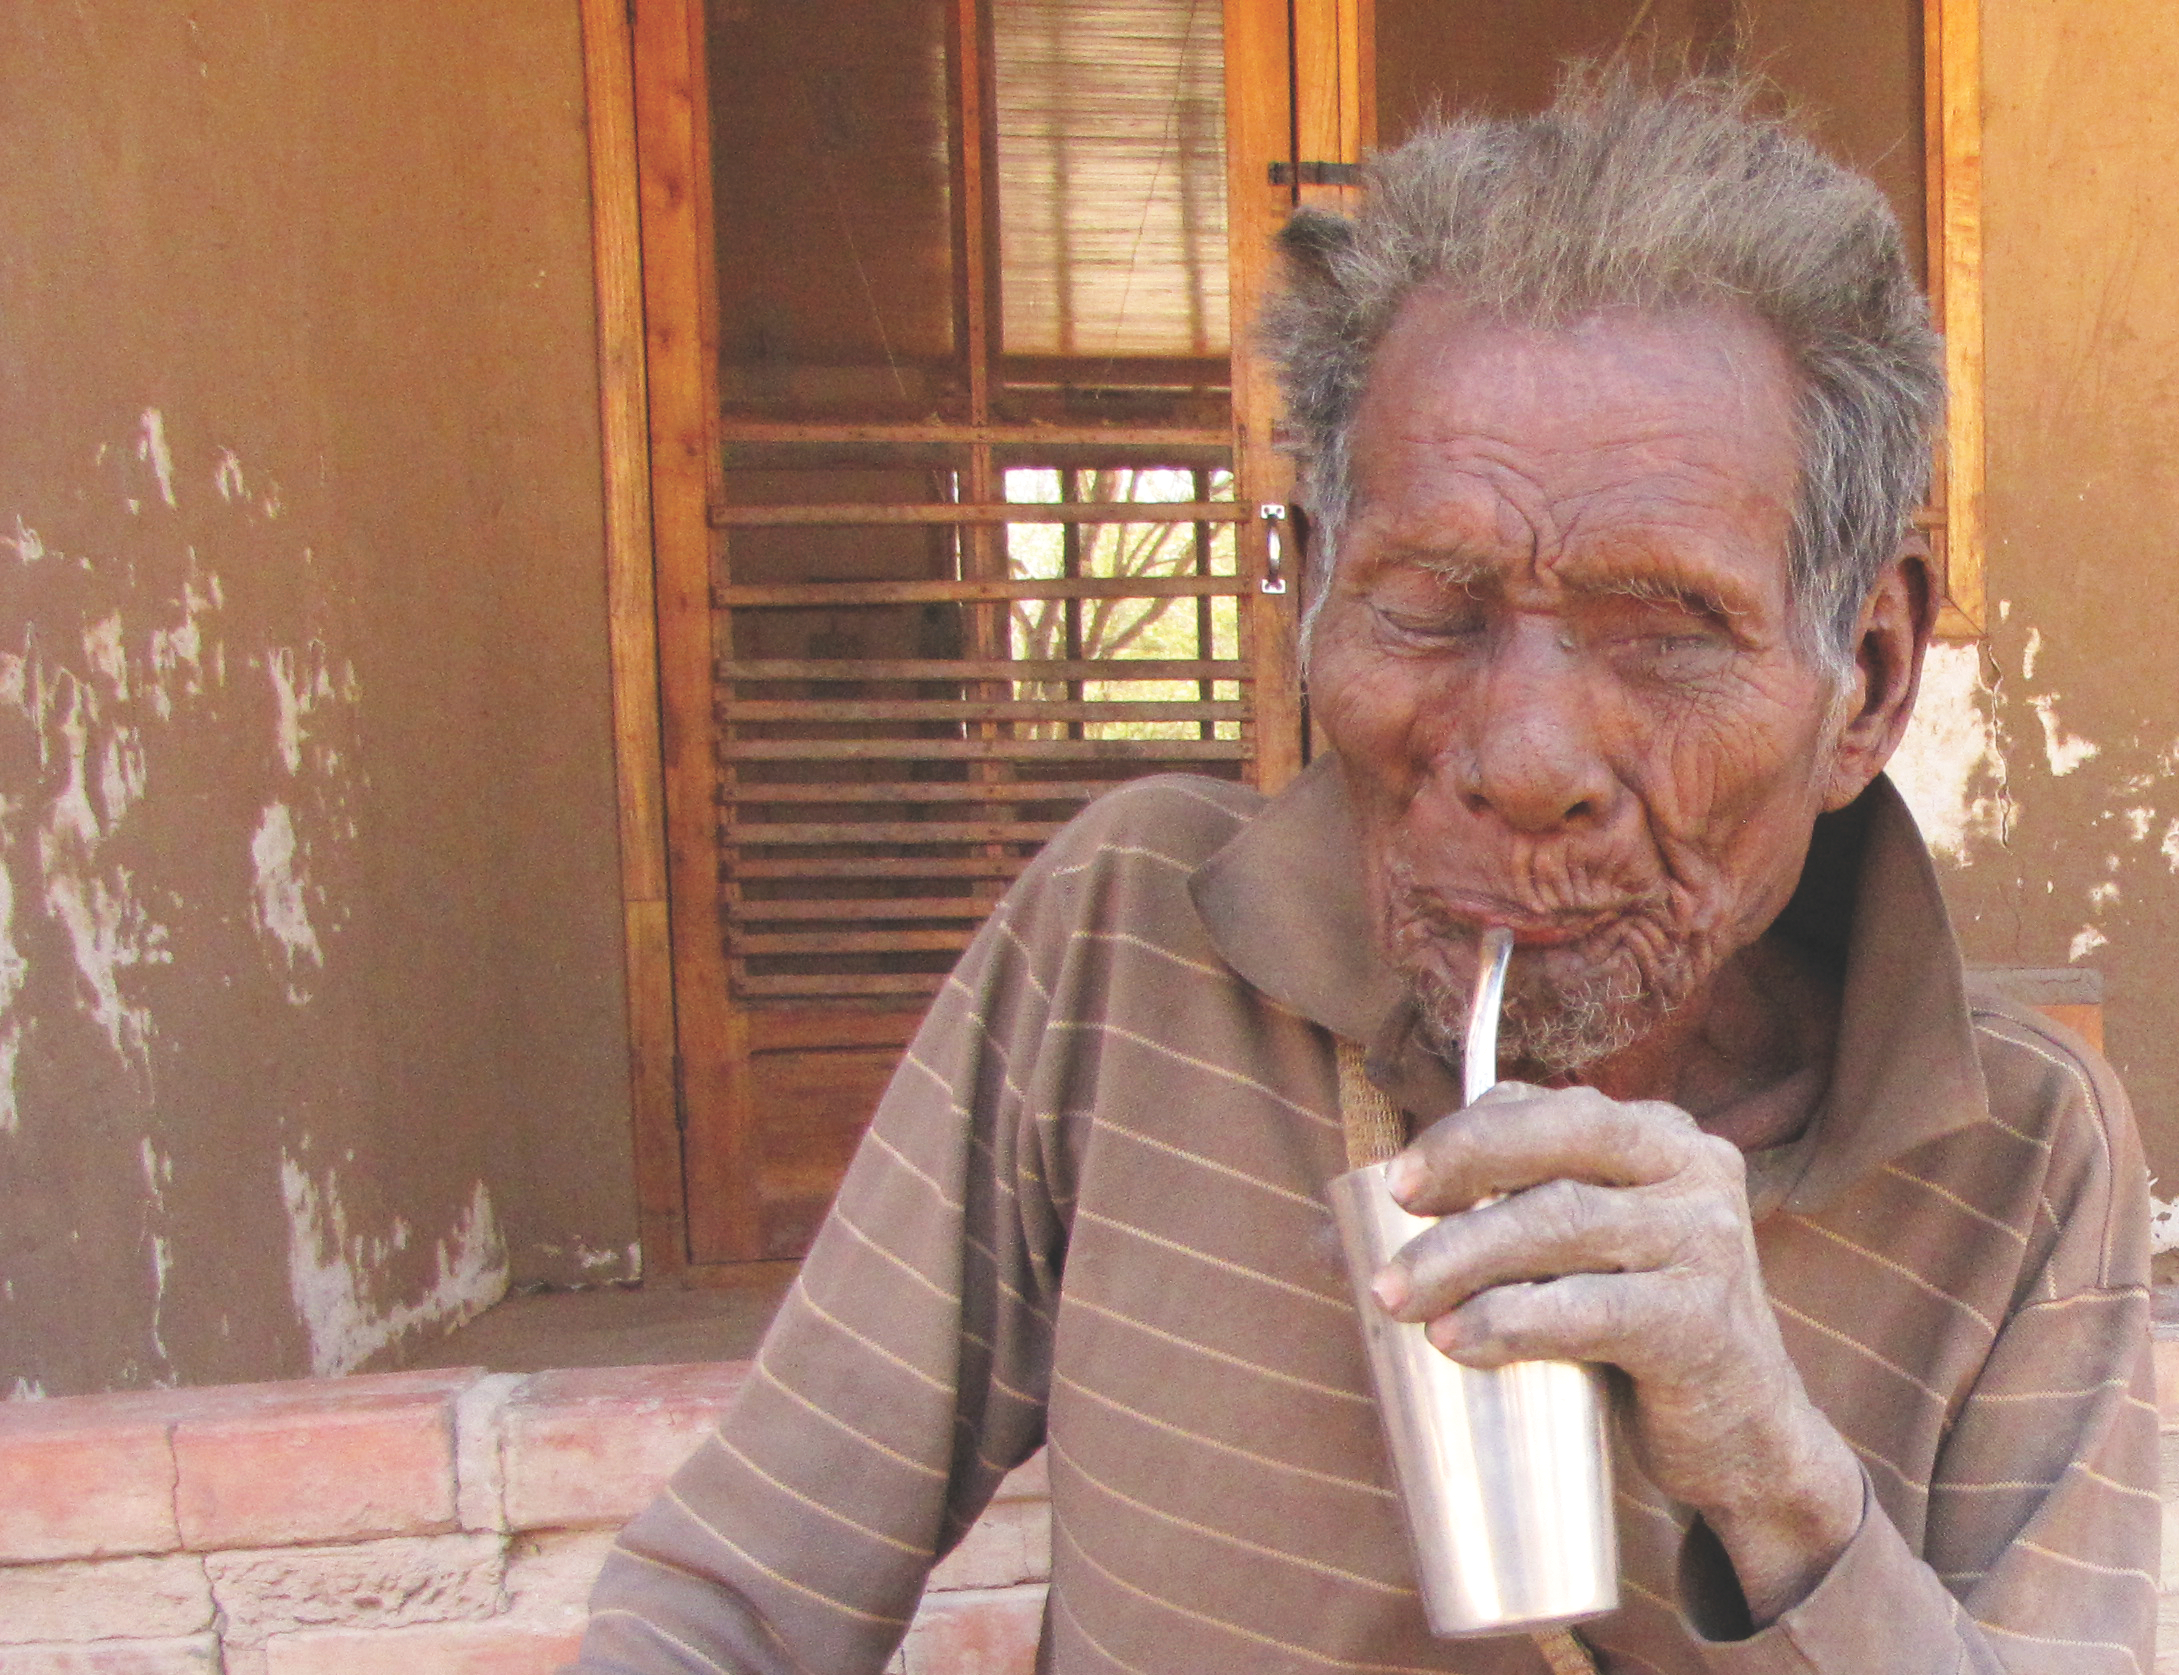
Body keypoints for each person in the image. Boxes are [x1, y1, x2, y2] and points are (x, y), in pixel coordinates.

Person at [572, 74, 2156, 1675]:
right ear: (1307, 599)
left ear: (1867, 681)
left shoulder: (2016, 1158)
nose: (1523, 755)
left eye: (1666, 631)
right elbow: (724, 1608)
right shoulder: (1125, 942)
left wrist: (1772, 1470)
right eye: (1430, 605)